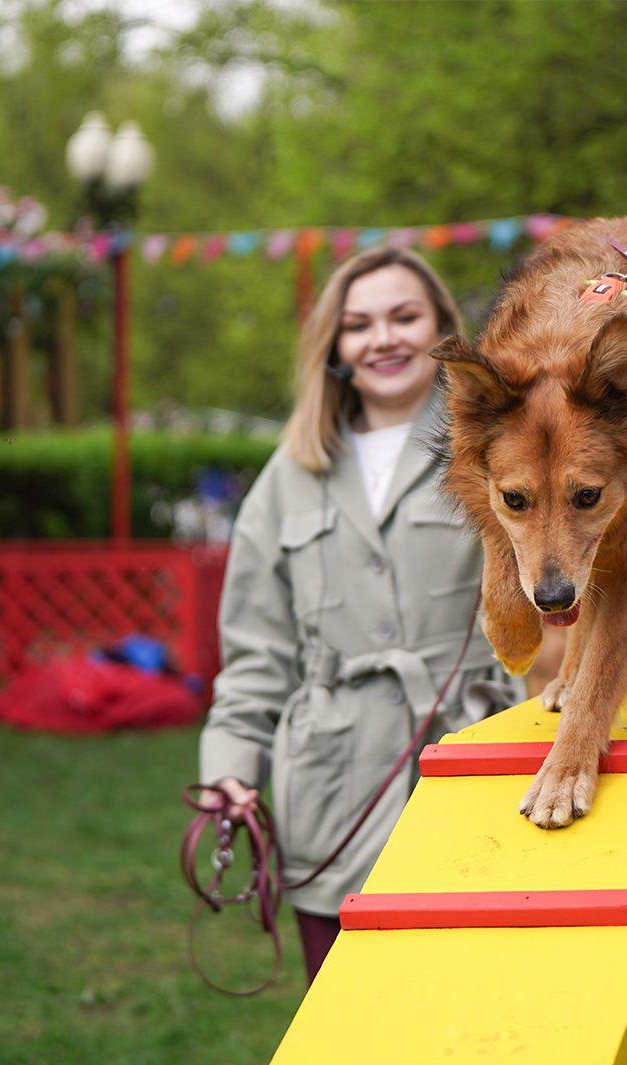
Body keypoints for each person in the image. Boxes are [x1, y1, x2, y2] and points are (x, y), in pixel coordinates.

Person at [197, 247, 521, 984]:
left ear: (443, 326)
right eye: (359, 324)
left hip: (474, 767)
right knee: (345, 1024)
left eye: (405, 317)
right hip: (330, 788)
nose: (384, 338)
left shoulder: (501, 442)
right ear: (335, 347)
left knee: (471, 1016)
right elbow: (257, 652)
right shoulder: (291, 471)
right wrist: (229, 770)